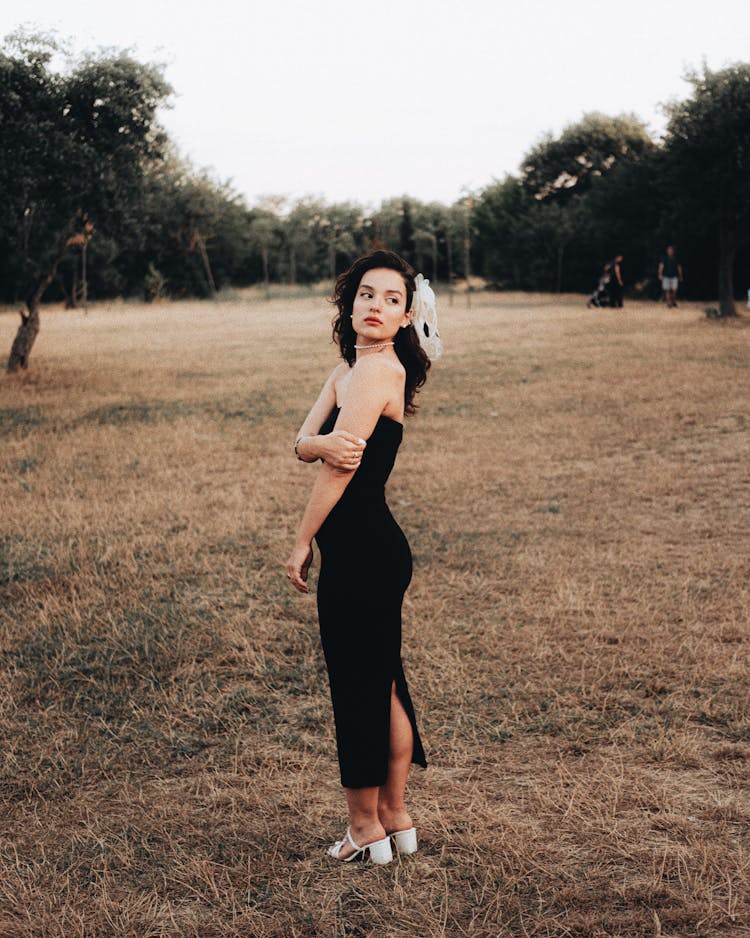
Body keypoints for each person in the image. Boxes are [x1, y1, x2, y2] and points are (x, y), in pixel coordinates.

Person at [286, 250, 440, 865]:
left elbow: (333, 467)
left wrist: (301, 541)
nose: (376, 306)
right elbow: (305, 442)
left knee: (358, 687)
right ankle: (395, 817)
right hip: (366, 549)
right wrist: (315, 442)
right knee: (383, 682)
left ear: (406, 317)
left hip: (362, 551)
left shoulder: (377, 374)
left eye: (391, 300)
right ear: (350, 305)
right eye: (367, 295)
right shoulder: (347, 369)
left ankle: (364, 827)